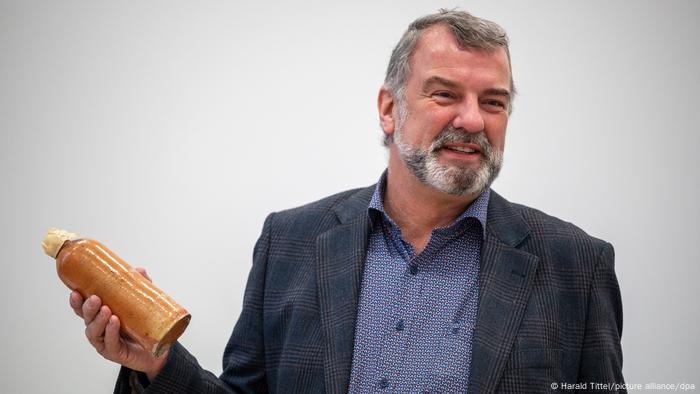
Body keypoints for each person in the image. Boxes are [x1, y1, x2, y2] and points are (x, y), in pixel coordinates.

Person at [70, 9, 625, 393]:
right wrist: (157, 366)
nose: (473, 120)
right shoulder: (290, 244)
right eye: (445, 94)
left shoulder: (575, 264)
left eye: (494, 101)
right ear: (389, 109)